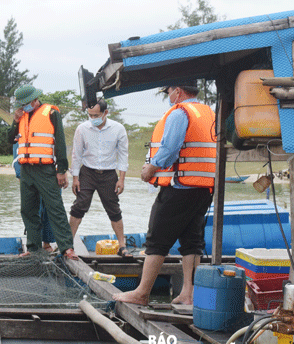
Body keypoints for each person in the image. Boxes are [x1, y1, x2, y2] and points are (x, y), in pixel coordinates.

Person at [113, 80, 216, 306]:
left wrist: (152, 167)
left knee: (157, 238)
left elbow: (170, 148)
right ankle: (188, 293)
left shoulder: (180, 112)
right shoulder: (208, 111)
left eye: (168, 92)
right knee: (192, 240)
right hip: (204, 187)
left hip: (180, 186)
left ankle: (141, 293)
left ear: (177, 91)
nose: (168, 96)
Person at [9, 84, 76, 259]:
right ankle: (33, 248)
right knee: (28, 210)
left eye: (25, 103)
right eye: (21, 104)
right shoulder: (21, 116)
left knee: (55, 208)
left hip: (46, 169)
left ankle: (67, 248)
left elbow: (60, 142)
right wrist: (15, 121)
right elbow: (10, 139)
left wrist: (61, 170)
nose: (23, 107)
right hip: (26, 170)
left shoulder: (51, 113)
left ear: (34, 99)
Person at [69, 98, 129, 257]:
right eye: (90, 115)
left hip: (109, 174)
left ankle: (122, 246)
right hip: (87, 172)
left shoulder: (118, 129)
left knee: (114, 209)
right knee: (79, 206)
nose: (93, 119)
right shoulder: (82, 129)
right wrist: (75, 178)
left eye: (96, 115)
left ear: (105, 113)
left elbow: (123, 155)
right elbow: (76, 154)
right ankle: (68, 244)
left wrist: (121, 179)